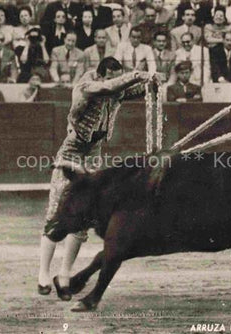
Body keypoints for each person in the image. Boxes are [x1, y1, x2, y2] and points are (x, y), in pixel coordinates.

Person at [37, 57, 158, 301]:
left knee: (82, 218)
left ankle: (64, 275)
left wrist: (152, 80)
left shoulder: (114, 90)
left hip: (93, 157)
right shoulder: (86, 85)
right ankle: (42, 273)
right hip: (70, 154)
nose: (115, 81)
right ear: (102, 74)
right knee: (55, 214)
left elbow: (131, 90)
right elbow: (108, 88)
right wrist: (137, 74)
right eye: (113, 76)